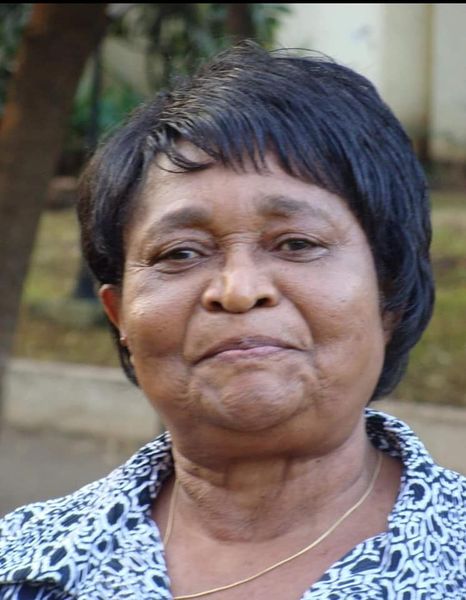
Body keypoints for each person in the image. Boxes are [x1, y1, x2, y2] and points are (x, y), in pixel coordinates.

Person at [0, 40, 464, 599]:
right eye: (181, 253)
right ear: (119, 316)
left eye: (296, 243)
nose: (238, 291)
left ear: (389, 294)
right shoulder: (22, 567)